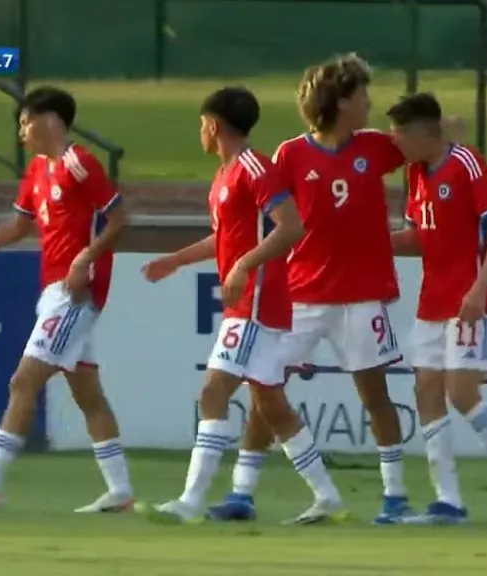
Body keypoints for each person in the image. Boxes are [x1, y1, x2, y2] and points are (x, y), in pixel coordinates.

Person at [206, 54, 412, 525]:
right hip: (302, 293)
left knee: (374, 394)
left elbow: (424, 150)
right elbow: (273, 221)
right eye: (362, 96)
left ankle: (395, 496)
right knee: (266, 388)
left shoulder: (379, 148)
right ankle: (242, 493)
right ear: (340, 103)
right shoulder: (290, 155)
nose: (369, 104)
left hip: (362, 294)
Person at [141, 86, 346, 525]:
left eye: (201, 124)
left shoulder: (255, 167)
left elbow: (291, 227)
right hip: (254, 301)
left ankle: (191, 501)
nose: (201, 132)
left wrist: (242, 268)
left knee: (214, 391)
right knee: (270, 403)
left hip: (255, 300)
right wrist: (177, 259)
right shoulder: (225, 176)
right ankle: (327, 495)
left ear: (213, 125)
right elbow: (227, 238)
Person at [0, 86, 134, 513]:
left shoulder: (79, 163)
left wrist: (85, 259)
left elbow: (118, 219)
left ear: (53, 121)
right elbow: (15, 230)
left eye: (26, 120)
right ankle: (120, 491)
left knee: (23, 381)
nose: (21, 130)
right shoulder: (38, 172)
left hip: (73, 294)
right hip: (54, 294)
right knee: (88, 395)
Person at [387, 93, 487, 526]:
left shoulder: (466, 164)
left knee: (462, 393)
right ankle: (448, 501)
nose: (396, 147)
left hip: (469, 299)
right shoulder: (416, 174)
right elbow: (417, 236)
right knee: (426, 392)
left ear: (421, 132)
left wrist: (478, 289)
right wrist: (369, 241)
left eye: (400, 137)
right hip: (432, 300)